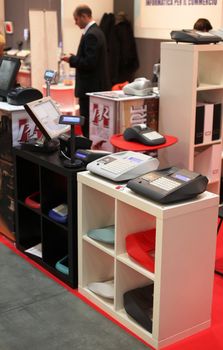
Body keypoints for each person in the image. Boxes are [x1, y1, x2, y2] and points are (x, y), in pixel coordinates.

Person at [61, 5, 111, 138]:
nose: (75, 23)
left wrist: (71, 59)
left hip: (90, 88)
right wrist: (75, 57)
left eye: (76, 19)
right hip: (94, 87)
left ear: (84, 16)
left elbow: (89, 63)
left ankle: (88, 153)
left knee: (88, 125)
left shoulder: (92, 35)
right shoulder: (96, 32)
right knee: (92, 125)